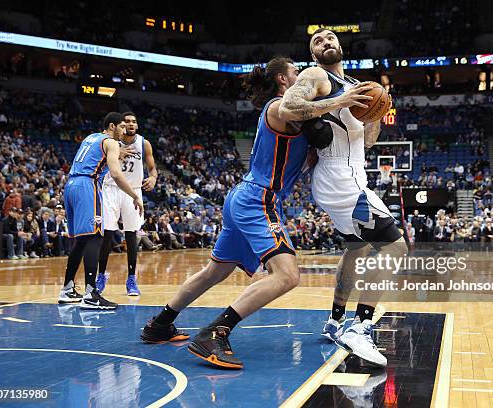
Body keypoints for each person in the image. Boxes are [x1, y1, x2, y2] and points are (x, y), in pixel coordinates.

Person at [141, 57, 309, 369]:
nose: (304, 77)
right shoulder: (278, 106)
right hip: (259, 199)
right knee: (287, 276)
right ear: (283, 81)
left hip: (245, 197)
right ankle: (214, 333)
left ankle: (160, 324)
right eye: (297, 72)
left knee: (215, 272)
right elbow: (307, 112)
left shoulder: (298, 117)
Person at [279, 28, 407, 367]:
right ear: (313, 53)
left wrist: (375, 114)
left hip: (351, 173)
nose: (326, 42)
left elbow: (366, 142)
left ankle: (335, 320)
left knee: (357, 247)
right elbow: (289, 106)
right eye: (318, 41)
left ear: (340, 45)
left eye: (330, 38)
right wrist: (339, 102)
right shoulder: (316, 76)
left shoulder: (354, 86)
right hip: (339, 178)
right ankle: (360, 327)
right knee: (396, 248)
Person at [57, 112, 144, 309]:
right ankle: (90, 294)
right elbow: (115, 173)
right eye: (122, 126)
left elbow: (97, 156)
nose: (124, 130)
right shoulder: (111, 142)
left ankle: (67, 288)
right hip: (88, 185)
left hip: (70, 186)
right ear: (112, 126)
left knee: (81, 241)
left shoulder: (91, 137)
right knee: (96, 237)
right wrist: (134, 196)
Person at [96, 112, 158, 296]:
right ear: (120, 125)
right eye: (127, 122)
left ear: (137, 126)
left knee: (132, 235)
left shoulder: (143, 143)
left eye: (134, 122)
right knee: (107, 233)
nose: (130, 125)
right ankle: (100, 276)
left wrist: (153, 178)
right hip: (110, 188)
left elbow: (152, 168)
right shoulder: (111, 141)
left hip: (133, 190)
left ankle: (131, 279)